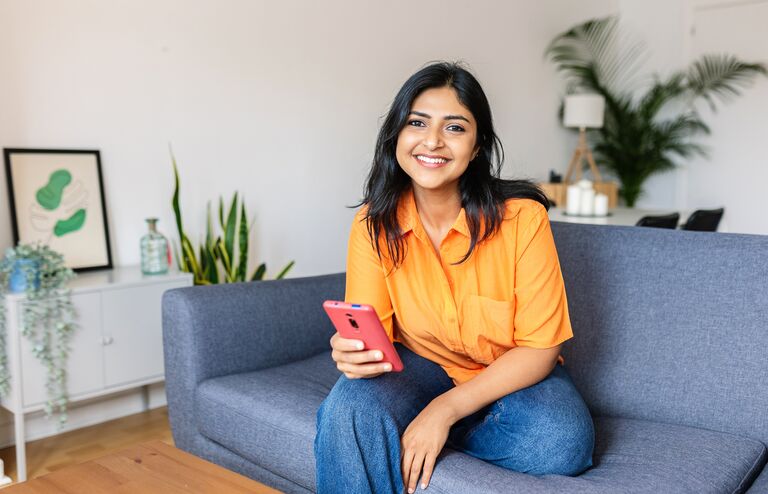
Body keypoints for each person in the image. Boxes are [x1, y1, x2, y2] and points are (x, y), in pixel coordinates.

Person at [314, 61, 594, 494]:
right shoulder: (374, 223)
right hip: (420, 366)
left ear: (477, 145)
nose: (432, 141)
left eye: (455, 128)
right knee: (349, 409)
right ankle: (419, 425)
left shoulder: (523, 219)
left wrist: (442, 413)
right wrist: (351, 352)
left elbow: (541, 349)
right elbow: (377, 343)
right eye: (417, 123)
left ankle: (432, 427)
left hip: (510, 375)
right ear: (397, 136)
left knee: (560, 443)